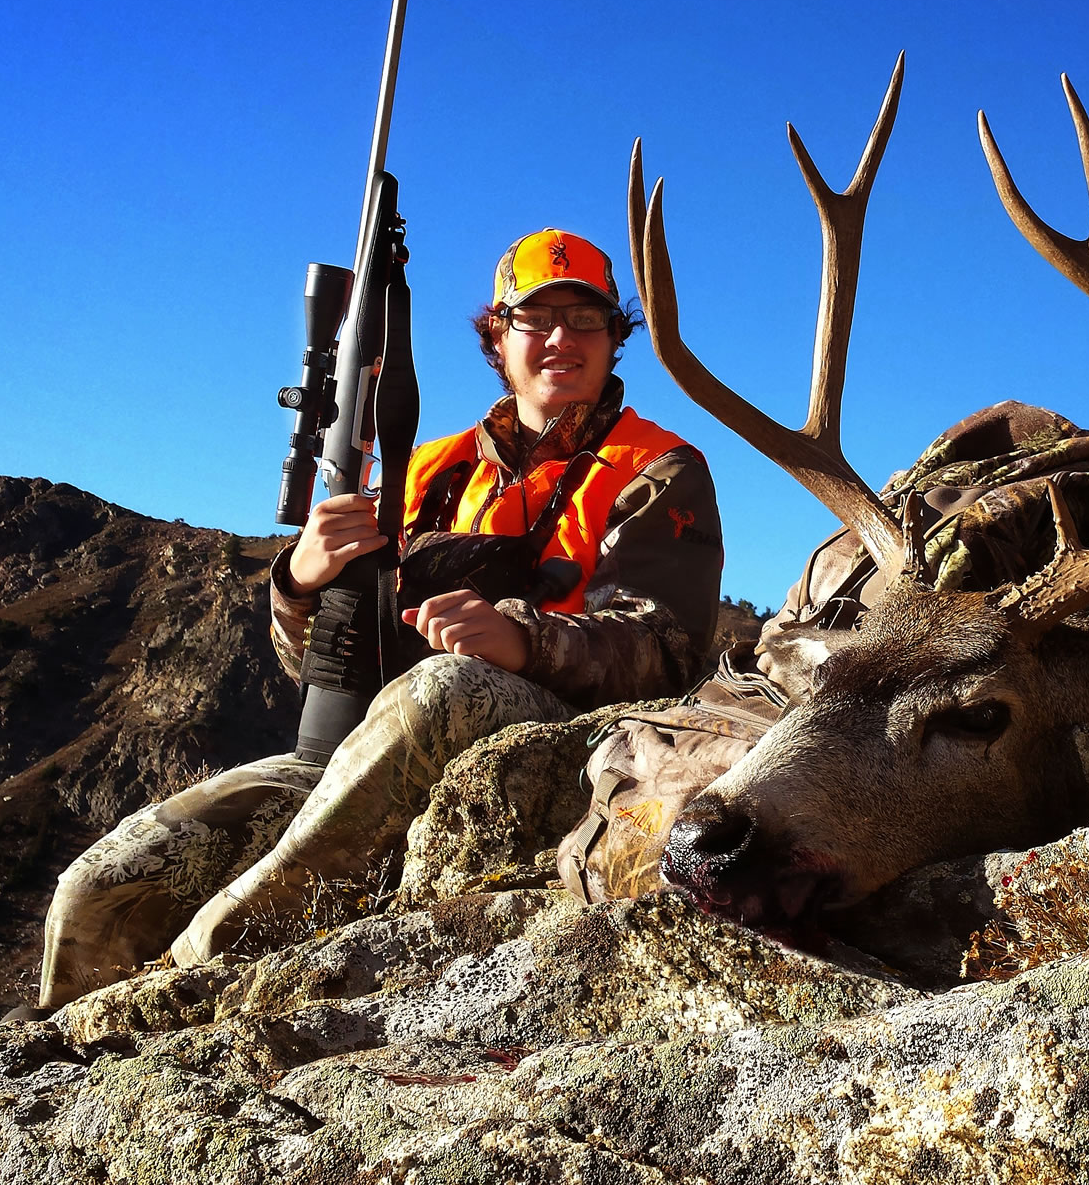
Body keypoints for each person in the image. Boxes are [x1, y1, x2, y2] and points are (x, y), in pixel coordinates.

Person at [36, 229, 721, 1009]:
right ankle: (59, 1030)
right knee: (96, 890)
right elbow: (317, 668)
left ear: (614, 338)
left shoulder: (659, 467)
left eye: (587, 319)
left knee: (445, 686)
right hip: (368, 747)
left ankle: (196, 976)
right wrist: (299, 581)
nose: (563, 338)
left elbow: (667, 651)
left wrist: (525, 641)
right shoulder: (423, 470)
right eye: (537, 318)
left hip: (561, 743)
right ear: (499, 337)